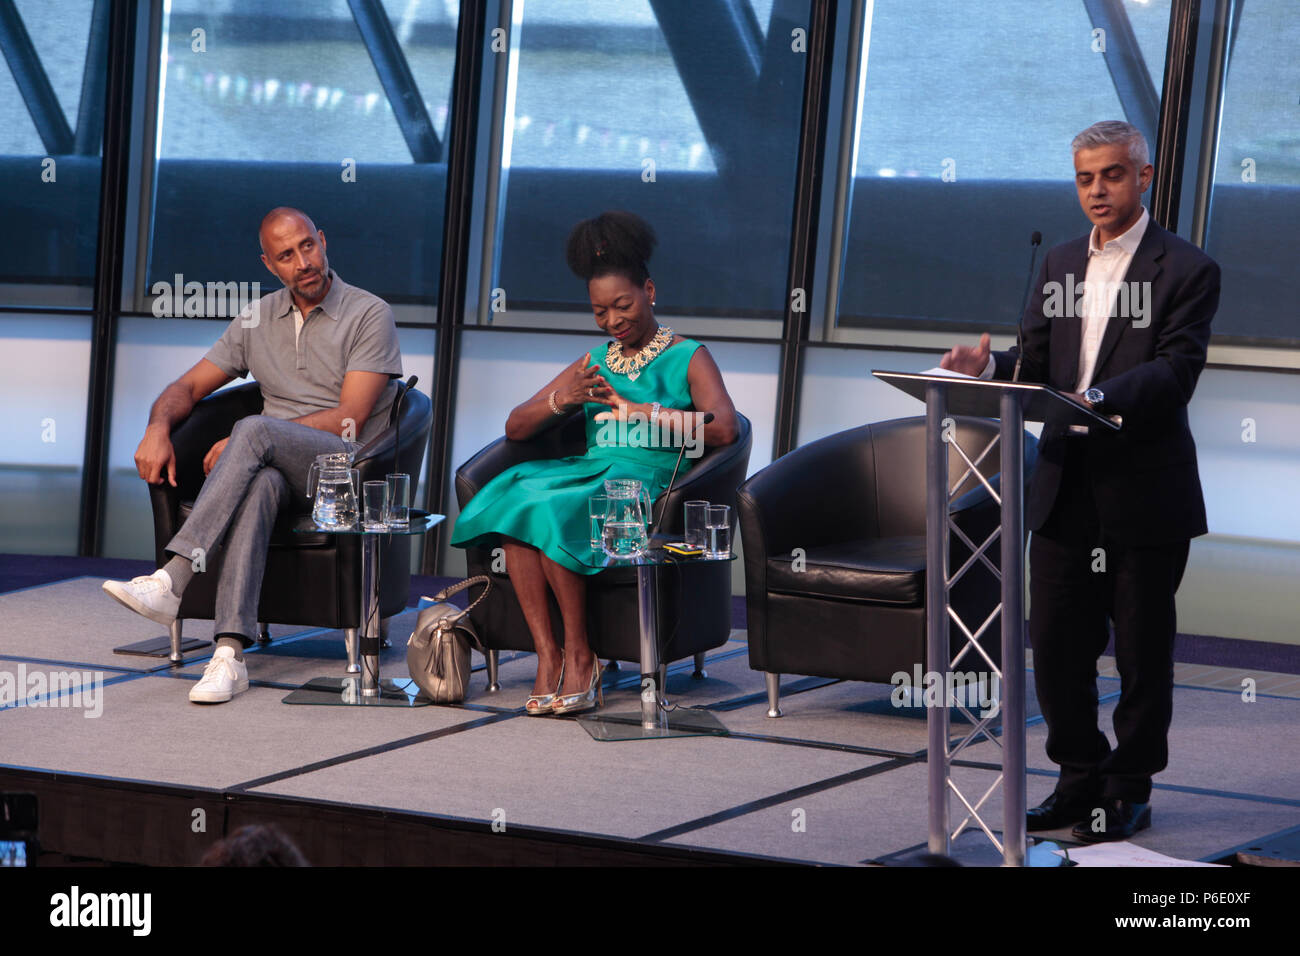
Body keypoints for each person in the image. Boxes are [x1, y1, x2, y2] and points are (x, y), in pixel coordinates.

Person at [939, 121, 1220, 843]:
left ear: (1144, 176)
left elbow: (1175, 371)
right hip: (1063, 484)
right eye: (1085, 178)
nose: (1098, 190)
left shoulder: (1186, 268)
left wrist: (1099, 398)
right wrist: (990, 369)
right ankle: (1077, 779)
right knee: (1058, 647)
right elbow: (1033, 363)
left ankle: (1127, 788)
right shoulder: (1060, 262)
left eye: (1113, 175)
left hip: (1143, 491)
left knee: (1139, 652)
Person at [102, 207, 403, 704]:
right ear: (270, 264)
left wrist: (257, 433)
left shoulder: (369, 313)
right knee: (260, 483)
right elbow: (188, 385)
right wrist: (157, 427)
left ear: (323, 241)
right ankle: (228, 654)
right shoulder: (257, 317)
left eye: (307, 245)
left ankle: (172, 579)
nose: (303, 261)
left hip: (342, 467)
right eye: (287, 255)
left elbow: (351, 416)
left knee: (253, 431)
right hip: (273, 467)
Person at [452, 211, 738, 716]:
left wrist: (644, 412)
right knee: (519, 497)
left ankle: (582, 655)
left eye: (622, 305)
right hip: (590, 469)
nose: (612, 320)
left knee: (555, 508)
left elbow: (724, 429)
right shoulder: (596, 360)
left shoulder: (689, 355)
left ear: (649, 291)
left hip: (645, 480)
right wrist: (565, 398)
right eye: (600, 311)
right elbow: (516, 427)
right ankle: (548, 655)